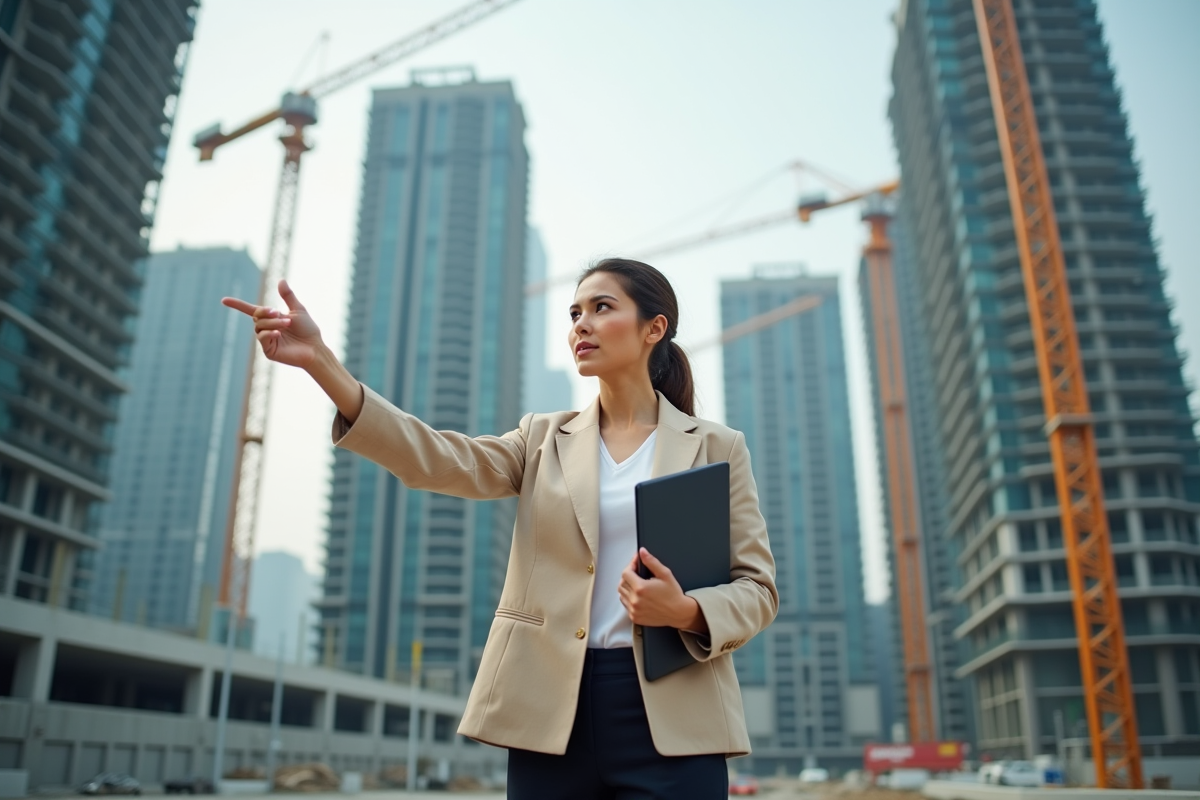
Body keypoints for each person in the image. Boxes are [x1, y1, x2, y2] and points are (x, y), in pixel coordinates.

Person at [222, 257, 777, 799]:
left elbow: (757, 589)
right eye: (573, 312)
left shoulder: (715, 448)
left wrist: (684, 612)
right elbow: (434, 458)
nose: (580, 323)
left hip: (675, 714)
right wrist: (321, 361)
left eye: (601, 307)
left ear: (654, 327)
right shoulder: (541, 438)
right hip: (548, 709)